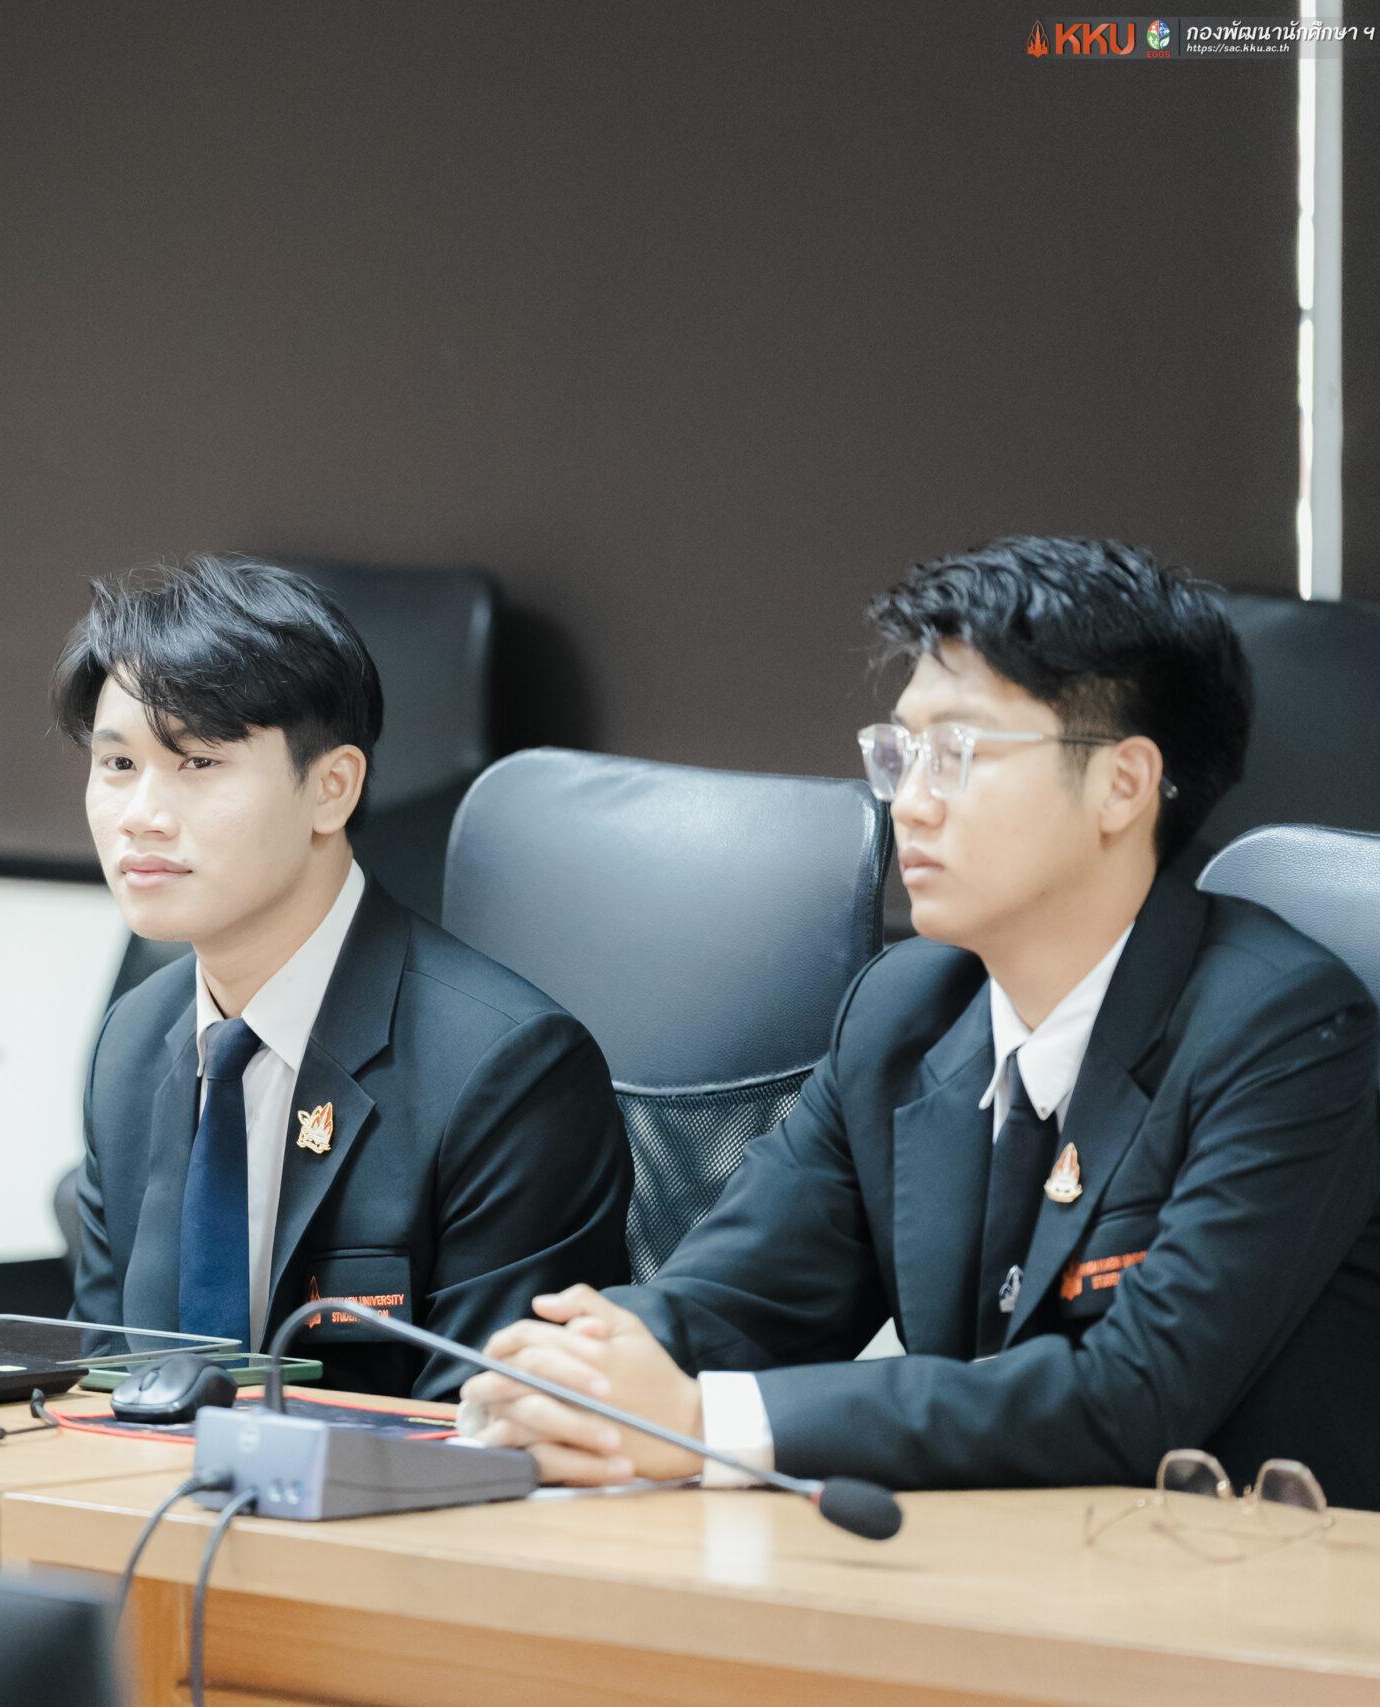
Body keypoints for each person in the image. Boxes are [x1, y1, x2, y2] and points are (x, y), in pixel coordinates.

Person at [458, 537, 1380, 1507]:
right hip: (980, 1557)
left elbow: (1132, 1397)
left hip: (1241, 1571)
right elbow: (737, 1296)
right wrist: (583, 1365)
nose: (911, 803)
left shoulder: (1283, 1030)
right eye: (901, 754)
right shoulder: (903, 1011)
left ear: (1122, 784)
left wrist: (696, 1424)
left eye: (958, 755)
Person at [62, 556, 630, 1401]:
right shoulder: (133, 1044)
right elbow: (104, 1388)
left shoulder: (506, 1071)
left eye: (199, 763)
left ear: (331, 789)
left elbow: (485, 1429)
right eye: (117, 765)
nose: (140, 815)